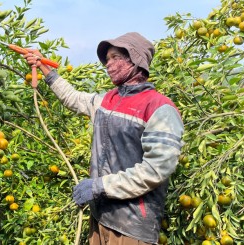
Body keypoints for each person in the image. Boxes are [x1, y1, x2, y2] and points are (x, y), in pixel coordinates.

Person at [23, 32, 184, 245]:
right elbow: (73, 98)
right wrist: (44, 67)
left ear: (135, 60)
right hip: (100, 217)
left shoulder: (158, 108)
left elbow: (156, 169)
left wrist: (100, 186)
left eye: (116, 57)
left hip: (132, 225)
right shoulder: (108, 101)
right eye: (107, 60)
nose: (109, 64)